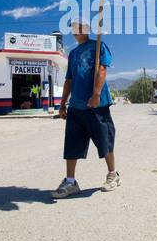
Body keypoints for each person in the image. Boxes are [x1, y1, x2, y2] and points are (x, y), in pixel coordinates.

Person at [51, 16, 120, 199]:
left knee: (104, 140)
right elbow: (69, 80)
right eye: (73, 27)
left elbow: (102, 70)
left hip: (97, 104)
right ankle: (70, 182)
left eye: (79, 26)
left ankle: (113, 174)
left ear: (88, 28)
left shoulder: (99, 46)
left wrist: (96, 94)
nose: (76, 30)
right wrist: (63, 103)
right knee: (72, 144)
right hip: (76, 106)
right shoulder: (73, 53)